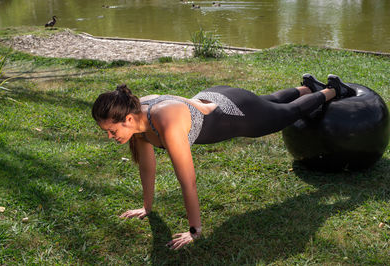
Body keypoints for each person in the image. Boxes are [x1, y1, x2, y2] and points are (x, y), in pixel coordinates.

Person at [91, 74, 355, 250]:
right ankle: (307, 86)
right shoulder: (137, 115)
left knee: (285, 113)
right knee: (269, 104)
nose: (110, 137)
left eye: (111, 131)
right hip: (217, 97)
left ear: (126, 119)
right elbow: (148, 168)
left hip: (234, 112)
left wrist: (195, 230)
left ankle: (333, 90)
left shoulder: (165, 123)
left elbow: (188, 181)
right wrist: (147, 207)